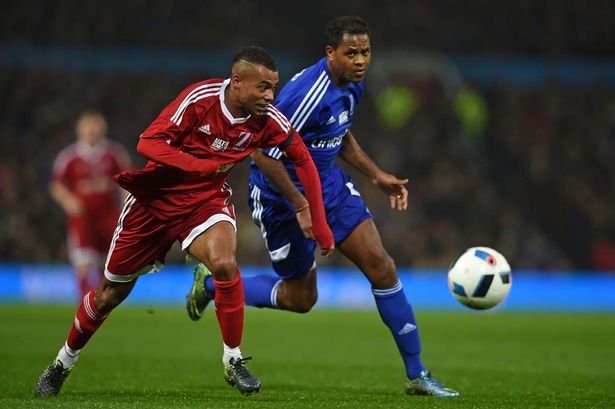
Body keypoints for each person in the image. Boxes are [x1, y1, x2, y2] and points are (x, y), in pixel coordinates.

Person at [34, 46, 334, 398]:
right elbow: (148, 142)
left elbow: (302, 159)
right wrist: (199, 167)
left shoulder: (268, 119)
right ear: (237, 82)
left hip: (205, 201)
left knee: (224, 264)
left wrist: (318, 218)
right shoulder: (200, 99)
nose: (270, 96)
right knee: (108, 295)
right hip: (155, 201)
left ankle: (233, 360)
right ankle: (62, 364)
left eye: (273, 87)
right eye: (262, 87)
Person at [186, 16, 459, 397]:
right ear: (330, 53)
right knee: (302, 298)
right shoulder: (304, 94)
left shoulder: (353, 85)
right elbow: (262, 154)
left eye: (365, 52)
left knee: (381, 265)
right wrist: (301, 206)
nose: (361, 60)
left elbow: (338, 132)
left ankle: (417, 375)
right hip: (281, 199)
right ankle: (215, 285)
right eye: (351, 53)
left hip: (330, 187)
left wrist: (376, 174)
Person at [50, 111, 132, 299]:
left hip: (109, 216)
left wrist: (128, 205)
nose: (92, 130)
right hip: (82, 218)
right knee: (84, 263)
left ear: (103, 129)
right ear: (79, 130)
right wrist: (68, 200)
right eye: (88, 126)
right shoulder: (70, 156)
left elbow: (127, 181)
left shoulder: (113, 153)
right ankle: (87, 303)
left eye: (96, 126)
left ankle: (106, 300)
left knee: (111, 264)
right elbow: (56, 185)